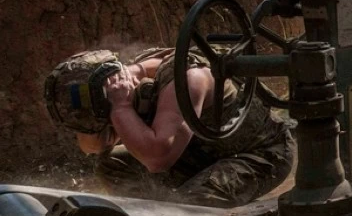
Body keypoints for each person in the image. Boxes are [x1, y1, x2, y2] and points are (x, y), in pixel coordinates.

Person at [43, 47, 294, 207]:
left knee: (193, 204)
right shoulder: (136, 75)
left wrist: (120, 107)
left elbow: (158, 158)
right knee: (113, 163)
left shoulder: (187, 80)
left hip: (261, 153)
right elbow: (95, 147)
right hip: (205, 153)